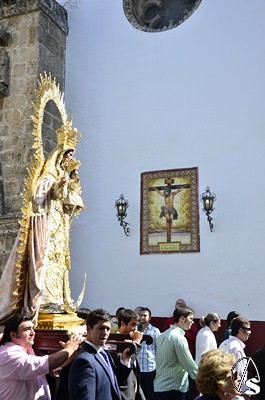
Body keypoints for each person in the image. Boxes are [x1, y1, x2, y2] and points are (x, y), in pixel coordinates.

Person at [0, 123, 86, 324]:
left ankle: (56, 301)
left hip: (58, 229)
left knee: (57, 265)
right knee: (43, 263)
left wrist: (72, 189)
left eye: (72, 156)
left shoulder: (63, 176)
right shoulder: (49, 176)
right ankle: (44, 302)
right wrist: (58, 186)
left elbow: (68, 205)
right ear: (60, 156)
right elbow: (39, 196)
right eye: (68, 156)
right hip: (46, 226)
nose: (70, 160)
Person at [0, 311, 83, 400]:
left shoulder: (28, 351)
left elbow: (52, 367)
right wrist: (70, 348)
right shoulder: (9, 355)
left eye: (33, 328)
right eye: (27, 329)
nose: (33, 333)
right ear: (13, 335)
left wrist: (72, 351)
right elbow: (46, 364)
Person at [68, 308, 133, 400]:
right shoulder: (84, 361)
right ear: (88, 328)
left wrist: (124, 360)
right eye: (101, 328)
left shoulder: (104, 354)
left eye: (108, 329)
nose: (105, 333)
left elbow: (114, 383)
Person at [154, 305, 198, 400]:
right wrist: (204, 380)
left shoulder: (162, 335)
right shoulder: (178, 338)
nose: (193, 322)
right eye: (191, 318)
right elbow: (188, 364)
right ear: (182, 318)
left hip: (159, 387)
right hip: (173, 389)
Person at [219, 316, 251, 399]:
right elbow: (240, 375)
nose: (250, 332)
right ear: (240, 330)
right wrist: (246, 394)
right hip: (235, 395)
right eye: (248, 329)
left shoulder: (224, 344)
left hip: (222, 392)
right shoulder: (237, 349)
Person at [117, 308, 146, 400]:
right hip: (122, 395)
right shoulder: (115, 344)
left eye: (137, 325)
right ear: (122, 324)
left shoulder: (131, 342)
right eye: (133, 324)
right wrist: (136, 342)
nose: (135, 329)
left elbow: (134, 377)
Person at [137, 307, 161, 400]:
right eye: (141, 315)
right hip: (138, 368)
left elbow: (159, 350)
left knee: (149, 394)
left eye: (145, 315)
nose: (142, 317)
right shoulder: (135, 330)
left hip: (150, 368)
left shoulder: (155, 331)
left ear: (150, 318)